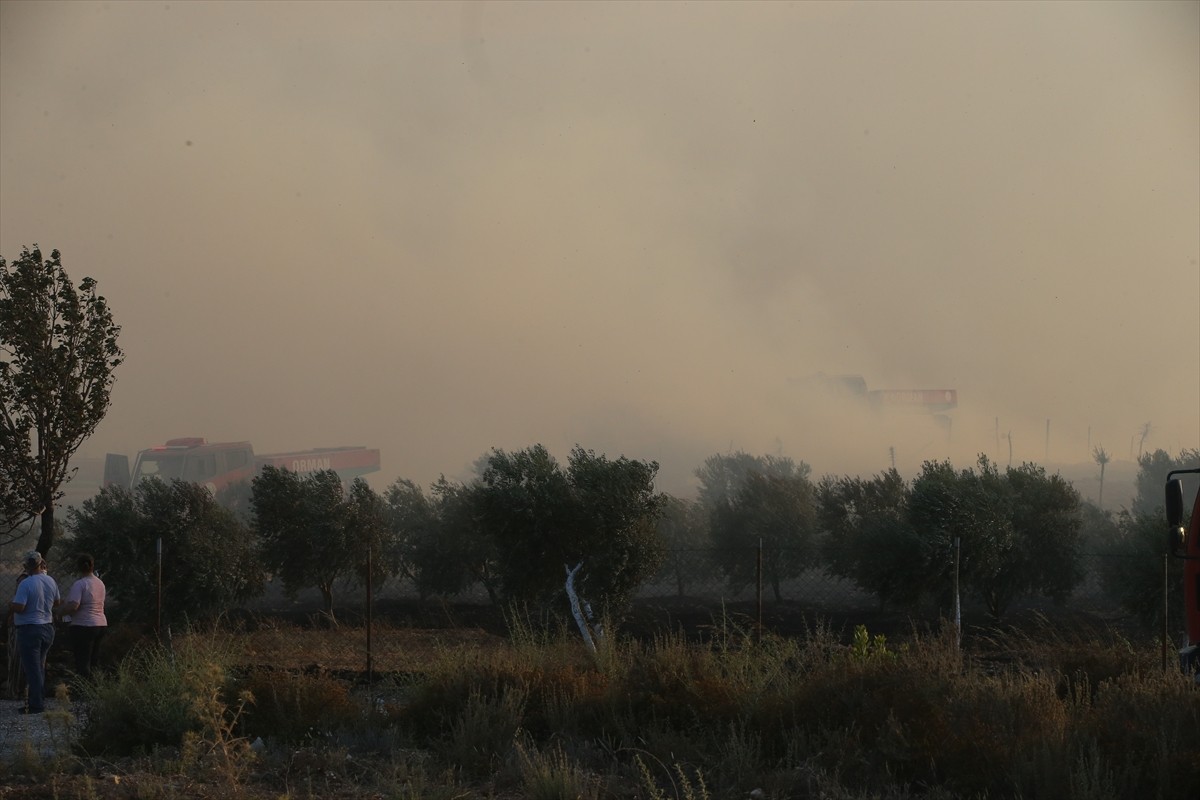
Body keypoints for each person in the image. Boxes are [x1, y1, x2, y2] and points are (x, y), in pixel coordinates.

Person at [9, 551, 60, 714]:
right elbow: (57, 602)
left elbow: (20, 607)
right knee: (39, 666)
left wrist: (11, 604)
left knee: (32, 669)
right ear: (41, 563)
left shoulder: (26, 583)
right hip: (47, 628)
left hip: (30, 629)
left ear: (26, 566)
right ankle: (37, 700)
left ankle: (36, 705)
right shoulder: (50, 580)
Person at [61, 553, 107, 679]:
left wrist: (61, 611)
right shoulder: (100, 584)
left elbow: (74, 606)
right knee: (94, 660)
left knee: (82, 660)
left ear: (78, 567)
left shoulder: (80, 584)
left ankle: (83, 692)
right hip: (101, 624)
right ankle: (95, 688)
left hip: (83, 625)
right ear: (93, 566)